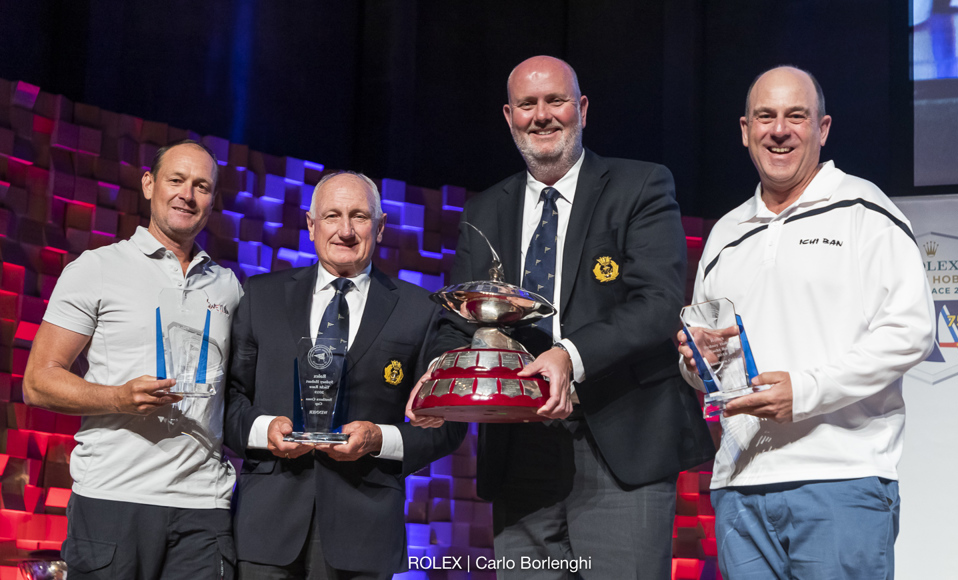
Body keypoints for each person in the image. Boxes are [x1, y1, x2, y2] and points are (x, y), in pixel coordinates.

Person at [409, 55, 715, 579]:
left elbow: (657, 303)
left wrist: (567, 357)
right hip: (519, 453)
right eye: (527, 104)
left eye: (556, 100)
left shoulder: (640, 186)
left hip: (622, 448)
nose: (542, 115)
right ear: (509, 116)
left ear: (582, 108)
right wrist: (440, 376)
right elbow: (458, 318)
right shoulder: (484, 211)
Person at [677, 66, 935, 579]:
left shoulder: (866, 210)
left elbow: (911, 332)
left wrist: (806, 391)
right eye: (765, 117)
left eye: (796, 116)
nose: (779, 130)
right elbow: (712, 361)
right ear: (745, 130)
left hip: (841, 477)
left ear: (822, 129)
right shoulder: (726, 233)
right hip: (739, 485)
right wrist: (696, 361)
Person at [224, 171, 467, 579]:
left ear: (382, 226)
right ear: (310, 224)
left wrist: (379, 439)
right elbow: (228, 400)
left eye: (359, 216)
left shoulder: (419, 311)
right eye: (332, 215)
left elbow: (447, 423)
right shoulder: (260, 296)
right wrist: (263, 429)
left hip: (365, 528)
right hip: (266, 526)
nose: (346, 230)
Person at [23, 140, 241, 579]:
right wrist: (119, 397)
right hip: (114, 498)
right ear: (148, 184)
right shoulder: (97, 268)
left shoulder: (228, 287)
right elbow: (38, 381)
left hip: (204, 505)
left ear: (212, 200)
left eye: (201, 186)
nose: (187, 194)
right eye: (175, 180)